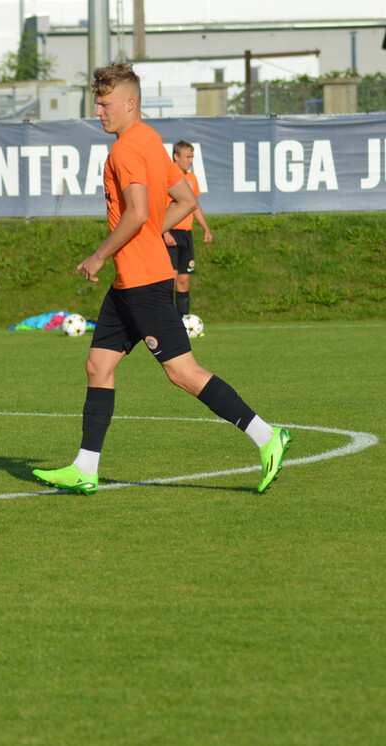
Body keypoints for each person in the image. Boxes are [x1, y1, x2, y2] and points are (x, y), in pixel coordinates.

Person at [31, 62, 290, 496]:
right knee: (98, 364)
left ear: (129, 103)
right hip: (127, 284)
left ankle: (267, 436)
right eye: (96, 102)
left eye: (105, 102)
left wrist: (98, 255)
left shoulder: (125, 150)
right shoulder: (151, 139)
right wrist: (154, 230)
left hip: (144, 283)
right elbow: (186, 199)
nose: (98, 110)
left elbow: (135, 213)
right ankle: (85, 468)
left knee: (183, 372)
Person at [162, 140, 213, 317]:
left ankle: (182, 321)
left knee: (184, 281)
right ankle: (165, 320)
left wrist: (205, 228)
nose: (190, 160)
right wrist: (165, 232)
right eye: (187, 156)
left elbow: (194, 205)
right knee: (171, 280)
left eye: (192, 157)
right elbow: (159, 207)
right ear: (176, 157)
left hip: (186, 234)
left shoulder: (191, 179)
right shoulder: (167, 177)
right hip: (171, 234)